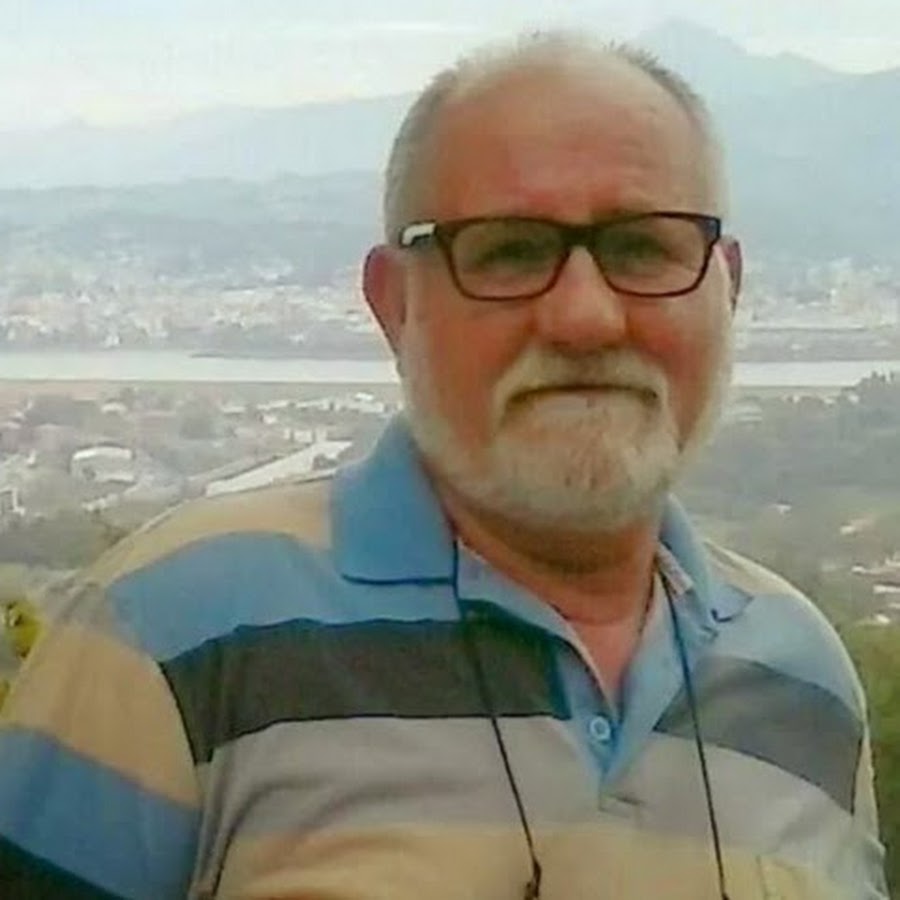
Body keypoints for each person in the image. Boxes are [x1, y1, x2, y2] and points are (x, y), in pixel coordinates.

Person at [0, 32, 887, 900]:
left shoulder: (801, 677)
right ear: (393, 304)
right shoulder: (169, 631)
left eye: (644, 248)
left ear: (728, 288)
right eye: (508, 252)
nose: (585, 317)